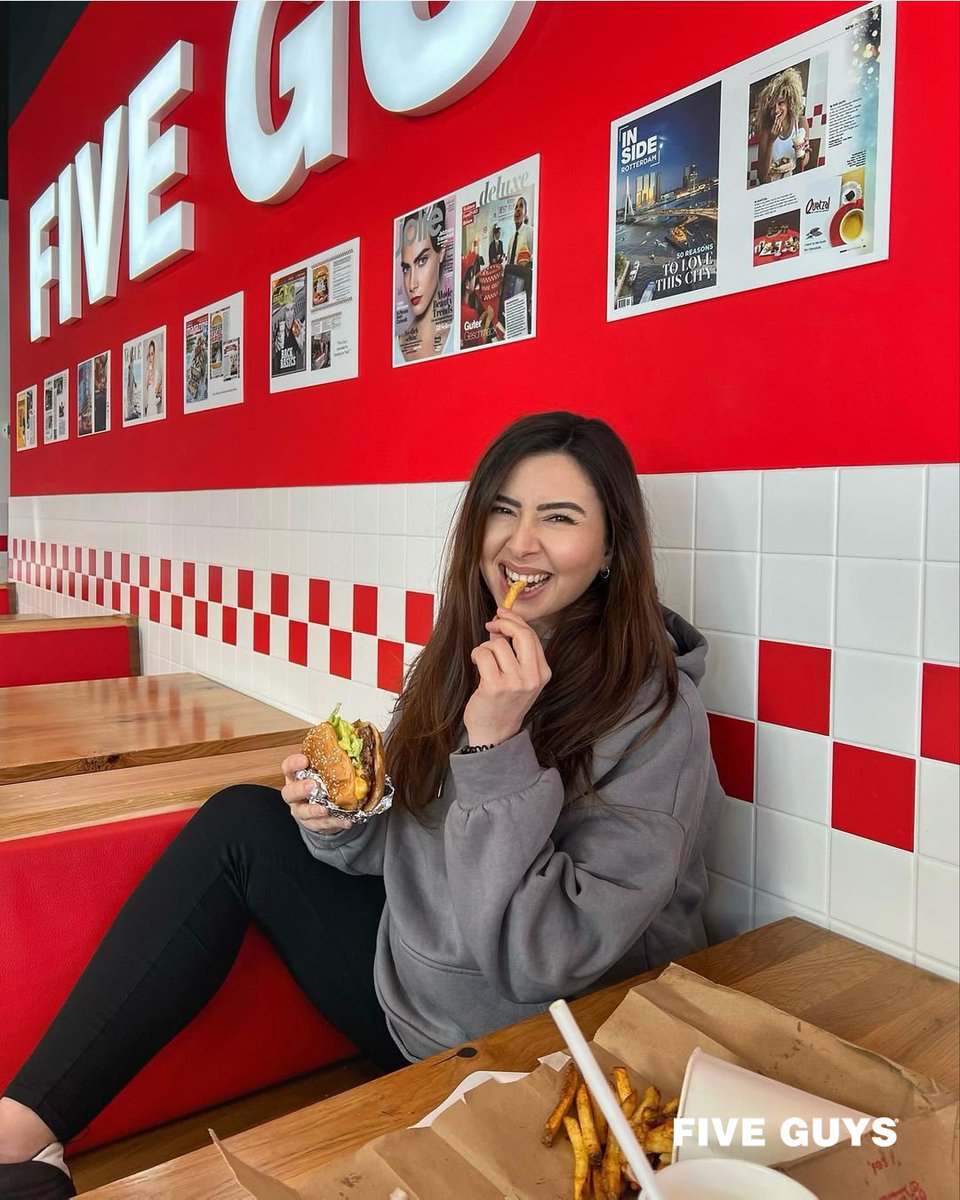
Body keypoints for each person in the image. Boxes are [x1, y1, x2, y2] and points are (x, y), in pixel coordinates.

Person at [0, 412, 723, 1200]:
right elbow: (405, 841)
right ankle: (23, 1132)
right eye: (503, 509)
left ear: (613, 548)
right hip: (412, 989)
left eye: (559, 517)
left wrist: (496, 746)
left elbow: (540, 962)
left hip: (521, 1049)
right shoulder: (461, 656)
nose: (521, 543)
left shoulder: (658, 718)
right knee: (241, 821)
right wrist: (341, 820)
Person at [394, 200, 453, 364]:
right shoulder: (395, 347)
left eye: (422, 261)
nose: (412, 284)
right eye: (406, 268)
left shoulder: (458, 336)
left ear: (441, 253)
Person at [754, 67, 812, 185]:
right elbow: (761, 177)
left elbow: (803, 163)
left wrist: (803, 153)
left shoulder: (800, 122)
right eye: (772, 106)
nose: (776, 110)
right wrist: (771, 142)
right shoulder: (767, 132)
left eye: (780, 103)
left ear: (789, 102)